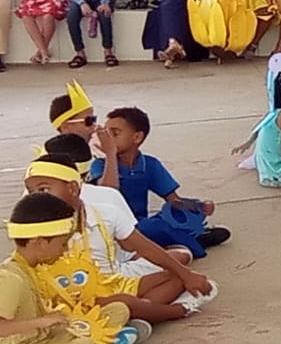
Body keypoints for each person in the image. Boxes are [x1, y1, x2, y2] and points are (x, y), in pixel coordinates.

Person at [0, 192, 143, 344]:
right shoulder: (10, 278)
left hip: (49, 337)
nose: (65, 250)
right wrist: (40, 323)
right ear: (40, 242)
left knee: (118, 309)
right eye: (62, 244)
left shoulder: (35, 264)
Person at [24, 152, 214, 320]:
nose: (35, 197)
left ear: (73, 188)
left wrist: (187, 275)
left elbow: (144, 247)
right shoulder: (34, 226)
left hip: (112, 283)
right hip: (69, 295)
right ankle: (175, 311)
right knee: (124, 302)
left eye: (44, 189)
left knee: (175, 277)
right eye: (31, 192)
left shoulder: (106, 214)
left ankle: (134, 314)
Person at [95, 106, 228, 258]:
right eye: (106, 133)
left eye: (115, 133)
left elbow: (173, 200)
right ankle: (194, 243)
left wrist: (198, 206)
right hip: (111, 229)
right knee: (154, 227)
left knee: (170, 218)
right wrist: (110, 154)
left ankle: (182, 240)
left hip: (139, 224)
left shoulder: (150, 164)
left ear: (137, 138)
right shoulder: (100, 164)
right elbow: (107, 193)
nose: (108, 139)